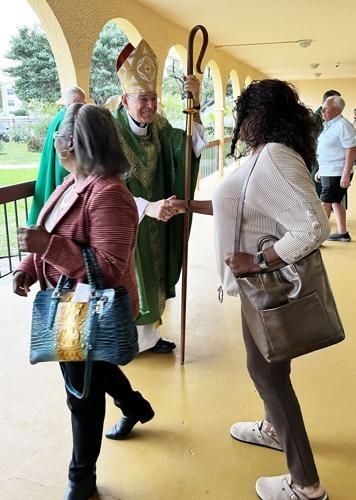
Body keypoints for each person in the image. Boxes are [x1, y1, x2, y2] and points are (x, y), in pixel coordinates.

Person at [183, 79, 331, 499]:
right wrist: (190, 205)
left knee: (267, 374)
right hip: (256, 289)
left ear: (261, 115)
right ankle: (271, 428)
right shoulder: (264, 155)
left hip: (264, 285)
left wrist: (259, 261)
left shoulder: (276, 159)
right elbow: (243, 203)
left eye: (244, 112)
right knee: (270, 367)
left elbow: (314, 225)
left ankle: (306, 484)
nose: (239, 122)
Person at [13, 103, 154, 500]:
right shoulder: (70, 184)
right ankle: (136, 407)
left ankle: (82, 480)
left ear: (73, 143)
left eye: (57, 136)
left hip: (89, 309)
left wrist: (48, 248)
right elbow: (47, 231)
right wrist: (29, 264)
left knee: (82, 395)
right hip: (68, 304)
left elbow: (109, 269)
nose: (54, 143)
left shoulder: (109, 195)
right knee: (96, 370)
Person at [113, 39, 206, 355]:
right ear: (125, 100)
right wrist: (144, 207)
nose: (150, 105)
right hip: (121, 227)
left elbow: (189, 148)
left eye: (153, 98)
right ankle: (126, 343)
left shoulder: (160, 127)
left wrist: (196, 103)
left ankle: (147, 340)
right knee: (132, 281)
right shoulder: (109, 133)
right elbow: (102, 187)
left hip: (156, 221)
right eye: (143, 99)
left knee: (152, 280)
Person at [27, 86, 86, 225]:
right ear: (76, 100)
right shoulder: (69, 120)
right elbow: (66, 162)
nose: (83, 106)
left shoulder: (59, 117)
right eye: (82, 103)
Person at [316, 95, 356, 242]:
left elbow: (351, 150)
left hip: (337, 171)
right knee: (335, 201)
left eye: (326, 109)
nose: (322, 111)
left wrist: (346, 174)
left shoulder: (343, 125)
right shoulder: (330, 125)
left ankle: (318, 238)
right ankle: (343, 233)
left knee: (325, 203)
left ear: (337, 109)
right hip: (329, 170)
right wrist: (322, 169)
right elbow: (330, 150)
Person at [311, 89, 341, 197]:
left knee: (334, 199)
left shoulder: (335, 117)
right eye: (336, 101)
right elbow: (315, 142)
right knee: (322, 197)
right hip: (321, 162)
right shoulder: (316, 118)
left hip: (333, 162)